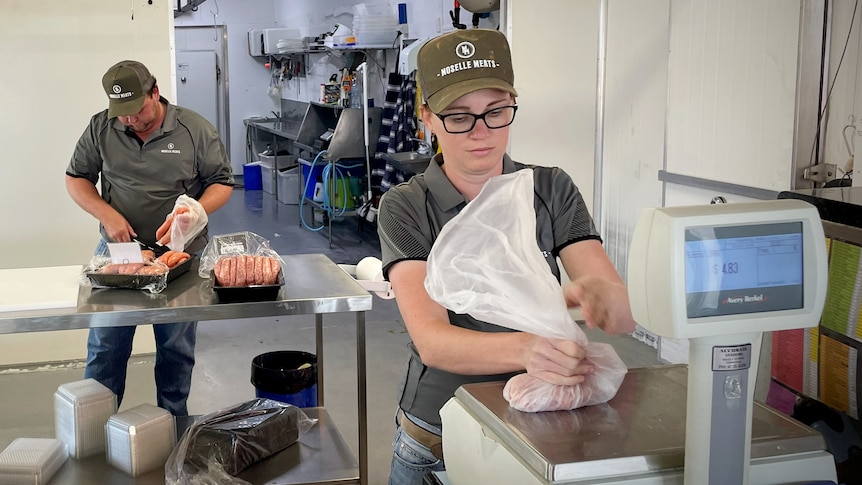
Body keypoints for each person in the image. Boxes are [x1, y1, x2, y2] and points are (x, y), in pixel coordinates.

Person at [377, 29, 638, 484]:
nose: (481, 133)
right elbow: (433, 341)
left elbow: (616, 308)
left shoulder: (550, 188)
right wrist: (526, 349)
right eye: (459, 117)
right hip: (437, 432)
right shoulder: (406, 206)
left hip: (543, 421)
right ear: (428, 118)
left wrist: (606, 298)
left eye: (495, 112)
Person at [65, 60, 234, 416]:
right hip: (122, 249)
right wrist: (106, 213)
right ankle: (96, 428)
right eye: (122, 113)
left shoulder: (194, 129)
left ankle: (172, 424)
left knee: (175, 345)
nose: (129, 120)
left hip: (180, 250)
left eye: (137, 110)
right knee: (106, 344)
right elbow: (76, 179)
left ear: (154, 93)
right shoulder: (101, 127)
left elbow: (222, 182)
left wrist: (196, 212)